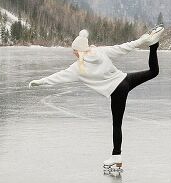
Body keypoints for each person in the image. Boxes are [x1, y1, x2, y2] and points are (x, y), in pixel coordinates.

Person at [28, 26, 164, 171]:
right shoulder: (99, 52)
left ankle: (116, 156)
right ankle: (153, 45)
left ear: (78, 51)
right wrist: (143, 40)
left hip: (117, 91)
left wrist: (40, 81)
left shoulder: (78, 68)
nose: (73, 53)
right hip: (125, 80)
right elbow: (124, 47)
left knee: (117, 125)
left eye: (74, 50)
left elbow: (58, 77)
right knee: (153, 72)